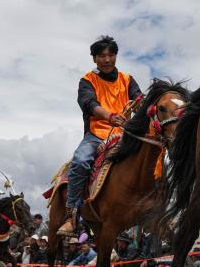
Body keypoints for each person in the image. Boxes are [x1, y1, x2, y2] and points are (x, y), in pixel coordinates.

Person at [59, 35, 141, 237]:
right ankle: (72, 215)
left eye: (111, 55)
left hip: (125, 133)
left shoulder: (127, 79)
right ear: (94, 59)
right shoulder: (87, 80)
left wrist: (143, 106)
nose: (107, 59)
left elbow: (139, 99)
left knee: (153, 156)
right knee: (80, 162)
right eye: (102, 56)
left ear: (116, 57)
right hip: (97, 134)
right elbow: (89, 104)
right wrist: (110, 116)